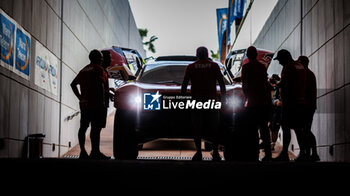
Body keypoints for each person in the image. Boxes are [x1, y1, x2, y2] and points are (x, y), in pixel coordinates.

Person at [181, 46, 226, 161]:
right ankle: (215, 152)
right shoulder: (214, 66)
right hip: (212, 101)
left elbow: (184, 84)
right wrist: (224, 98)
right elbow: (221, 83)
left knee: (197, 128)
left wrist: (183, 99)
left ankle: (199, 153)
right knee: (214, 128)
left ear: (197, 55)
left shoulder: (191, 67)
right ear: (207, 54)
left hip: (196, 101)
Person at [71, 49, 110, 160]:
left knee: (83, 127)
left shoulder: (84, 70)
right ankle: (95, 152)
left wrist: (80, 97)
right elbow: (99, 86)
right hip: (97, 104)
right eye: (101, 57)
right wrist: (104, 99)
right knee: (96, 128)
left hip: (85, 105)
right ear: (97, 58)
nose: (102, 59)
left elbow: (73, 84)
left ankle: (83, 152)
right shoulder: (99, 69)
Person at [273, 49, 307, 161]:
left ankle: (284, 155)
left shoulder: (287, 67)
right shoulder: (300, 66)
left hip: (290, 103)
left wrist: (276, 82)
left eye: (280, 60)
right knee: (298, 128)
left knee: (286, 127)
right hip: (301, 102)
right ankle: (303, 153)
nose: (279, 63)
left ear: (284, 57)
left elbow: (284, 84)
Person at [241, 46, 272, 161]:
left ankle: (254, 154)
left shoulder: (246, 67)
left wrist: (245, 99)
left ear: (248, 55)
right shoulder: (262, 67)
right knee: (264, 128)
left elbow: (245, 86)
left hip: (253, 103)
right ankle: (268, 154)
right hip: (264, 102)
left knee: (253, 129)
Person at [297, 56, 320, 161]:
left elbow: (303, 90)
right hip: (309, 106)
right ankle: (311, 153)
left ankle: (310, 153)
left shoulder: (306, 74)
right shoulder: (310, 74)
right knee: (306, 130)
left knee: (305, 130)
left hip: (305, 106)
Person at [268, 74, 282, 152]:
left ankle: (272, 145)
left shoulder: (278, 87)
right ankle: (270, 144)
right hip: (272, 111)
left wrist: (275, 102)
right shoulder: (273, 88)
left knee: (274, 129)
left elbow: (277, 101)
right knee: (271, 127)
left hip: (277, 111)